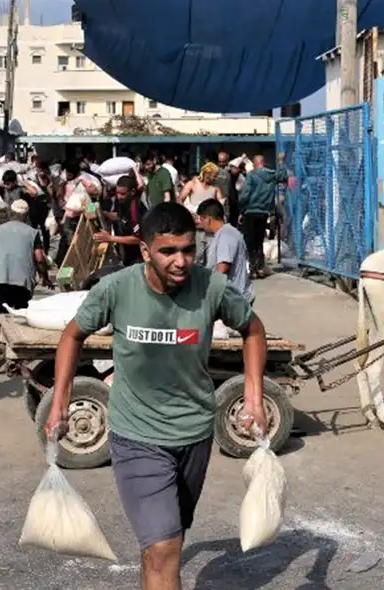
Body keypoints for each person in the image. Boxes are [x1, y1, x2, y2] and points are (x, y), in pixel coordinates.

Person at [45, 202, 268, 590]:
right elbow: (71, 335)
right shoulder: (117, 288)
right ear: (146, 250)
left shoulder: (212, 287)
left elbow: (253, 329)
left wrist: (253, 395)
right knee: (165, 547)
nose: (180, 261)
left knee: (167, 542)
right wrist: (60, 400)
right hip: (137, 436)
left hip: (194, 434)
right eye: (168, 251)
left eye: (187, 249)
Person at [0, 199, 53, 373]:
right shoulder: (32, 232)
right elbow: (39, 257)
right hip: (22, 282)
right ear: (26, 215)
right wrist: (45, 277)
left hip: (0, 280)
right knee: (20, 318)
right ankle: (18, 357)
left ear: (11, 213)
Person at [196, 199, 254, 304]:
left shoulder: (225, 235)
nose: (200, 223)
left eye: (201, 219)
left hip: (234, 301)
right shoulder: (226, 233)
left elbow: (222, 269)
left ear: (208, 219)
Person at [238, 154, 286, 279]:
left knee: (250, 241)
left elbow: (245, 195)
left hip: (250, 211)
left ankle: (253, 268)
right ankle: (260, 267)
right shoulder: (271, 174)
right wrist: (280, 162)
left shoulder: (252, 176)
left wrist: (241, 209)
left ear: (254, 163)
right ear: (263, 162)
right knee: (259, 240)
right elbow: (283, 176)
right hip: (264, 212)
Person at [54, 159, 101, 266]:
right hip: (69, 215)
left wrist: (83, 185)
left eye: (71, 172)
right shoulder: (63, 180)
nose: (69, 174)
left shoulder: (84, 178)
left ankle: (84, 261)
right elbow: (59, 196)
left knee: (84, 238)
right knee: (69, 240)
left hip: (83, 216)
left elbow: (95, 192)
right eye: (68, 172)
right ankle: (70, 261)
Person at [95, 175, 148, 267]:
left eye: (122, 194)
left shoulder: (135, 210)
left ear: (132, 192)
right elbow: (121, 218)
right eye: (117, 193)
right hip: (127, 253)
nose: (119, 197)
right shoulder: (123, 203)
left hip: (139, 257)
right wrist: (104, 214)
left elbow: (138, 239)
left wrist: (111, 238)